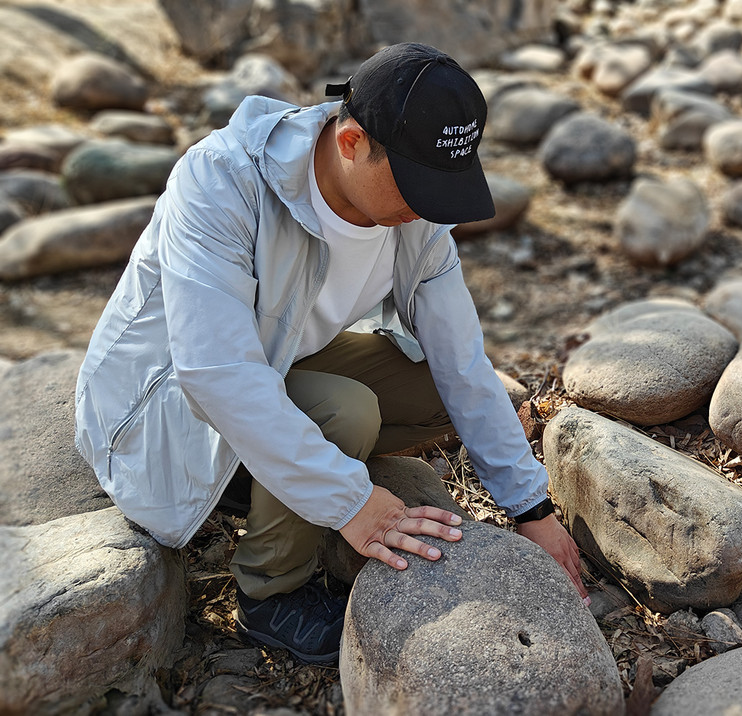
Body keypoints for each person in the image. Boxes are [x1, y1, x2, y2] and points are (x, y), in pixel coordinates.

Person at [74, 42, 587, 665]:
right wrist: (352, 503)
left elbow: (462, 361)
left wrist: (531, 508)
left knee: (435, 390)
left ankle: (261, 479)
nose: (426, 208)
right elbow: (215, 372)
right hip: (163, 401)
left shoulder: (414, 209)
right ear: (350, 143)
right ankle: (270, 592)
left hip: (281, 358)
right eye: (417, 184)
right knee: (344, 412)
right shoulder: (221, 181)